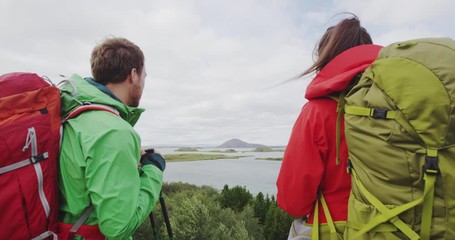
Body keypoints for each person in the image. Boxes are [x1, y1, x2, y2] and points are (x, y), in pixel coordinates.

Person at [276, 15, 382, 239]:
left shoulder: (317, 112)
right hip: (401, 227)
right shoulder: (405, 110)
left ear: (326, 60)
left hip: (334, 228)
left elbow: (293, 201)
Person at [58, 37, 165, 239]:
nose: (143, 83)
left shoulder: (73, 115)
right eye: (144, 76)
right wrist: (154, 169)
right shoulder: (114, 132)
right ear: (133, 74)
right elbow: (118, 228)